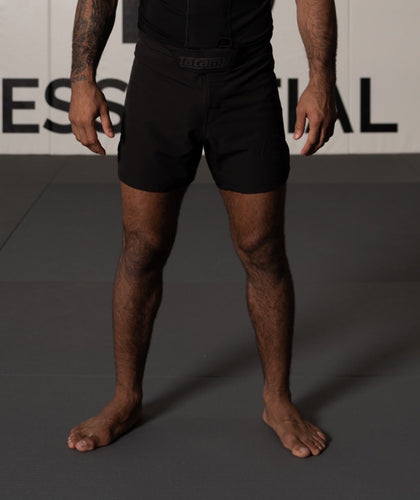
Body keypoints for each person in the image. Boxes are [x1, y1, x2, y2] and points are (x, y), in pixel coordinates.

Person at [67, 0, 337, 458]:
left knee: (263, 248)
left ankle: (278, 400)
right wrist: (81, 80)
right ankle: (125, 397)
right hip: (161, 79)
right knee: (142, 247)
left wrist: (321, 80)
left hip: (246, 80)